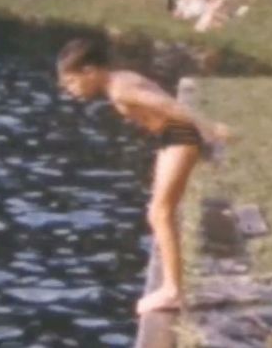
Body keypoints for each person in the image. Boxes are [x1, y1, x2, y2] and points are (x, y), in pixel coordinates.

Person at [55, 39, 230, 314]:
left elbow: (170, 106)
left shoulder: (121, 88)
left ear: (89, 70)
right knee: (157, 211)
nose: (70, 90)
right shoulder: (119, 80)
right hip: (170, 138)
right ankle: (171, 284)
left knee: (161, 212)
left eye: (72, 82)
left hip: (179, 137)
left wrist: (208, 128)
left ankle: (172, 291)